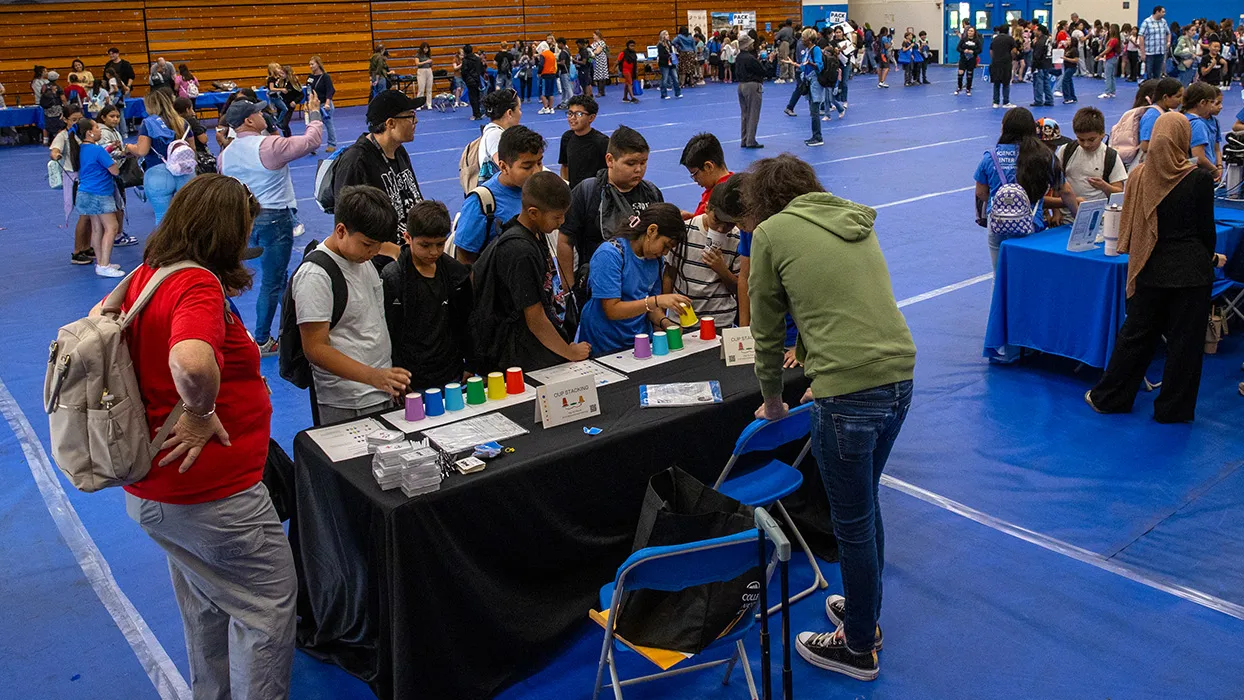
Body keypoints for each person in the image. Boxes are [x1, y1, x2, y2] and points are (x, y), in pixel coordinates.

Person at [104, 174, 293, 700]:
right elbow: (190, 360)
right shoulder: (196, 283)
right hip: (211, 495)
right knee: (266, 609)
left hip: (164, 489)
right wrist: (199, 409)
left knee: (207, 607)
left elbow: (103, 318)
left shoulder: (149, 273)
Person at [743, 155, 915, 684]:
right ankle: (866, 616)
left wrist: (772, 400)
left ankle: (858, 647)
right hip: (900, 376)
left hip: (847, 392)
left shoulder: (772, 233)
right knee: (867, 506)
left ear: (763, 202)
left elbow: (768, 331)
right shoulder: (852, 219)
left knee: (854, 524)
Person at [1087, 114, 1223, 423]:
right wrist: (1211, 258)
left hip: (1150, 266)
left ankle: (1110, 398)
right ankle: (1173, 409)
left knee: (1136, 337)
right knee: (1184, 346)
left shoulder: (1139, 176)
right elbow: (1206, 232)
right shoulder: (1198, 179)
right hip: (1191, 273)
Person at [293, 185, 409, 423]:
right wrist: (374, 376)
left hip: (379, 390)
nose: (374, 251)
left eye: (378, 245)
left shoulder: (360, 258)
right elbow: (315, 348)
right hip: (347, 402)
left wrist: (383, 377)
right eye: (368, 245)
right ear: (341, 230)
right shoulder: (316, 276)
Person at [220, 93, 323, 355]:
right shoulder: (268, 147)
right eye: (257, 112)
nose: (262, 114)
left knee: (274, 277)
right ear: (249, 120)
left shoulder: (226, 154)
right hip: (273, 218)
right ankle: (263, 338)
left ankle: (292, 318)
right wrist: (314, 114)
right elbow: (312, 141)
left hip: (244, 219)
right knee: (272, 281)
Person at [470, 171, 590, 370]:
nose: (561, 222)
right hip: (523, 356)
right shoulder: (520, 251)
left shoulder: (536, 232)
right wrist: (568, 352)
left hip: (537, 346)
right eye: (557, 217)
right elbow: (535, 318)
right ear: (533, 212)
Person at [558, 125, 665, 293]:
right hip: (598, 287)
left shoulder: (651, 193)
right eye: (630, 163)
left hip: (641, 289)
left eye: (643, 163)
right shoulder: (587, 192)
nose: (638, 169)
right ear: (610, 160)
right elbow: (565, 240)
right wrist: (569, 288)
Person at [382, 200, 475, 391]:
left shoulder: (457, 274)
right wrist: (395, 373)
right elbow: (389, 333)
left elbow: (467, 322)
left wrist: (471, 363)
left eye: (440, 244)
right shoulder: (393, 278)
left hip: (451, 372)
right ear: (407, 237)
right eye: (425, 245)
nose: (434, 252)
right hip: (410, 378)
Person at [575, 203, 692, 356]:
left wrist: (665, 322)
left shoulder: (655, 260)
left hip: (639, 342)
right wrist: (657, 301)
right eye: (665, 246)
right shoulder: (610, 254)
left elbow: (649, 306)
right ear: (652, 230)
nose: (664, 253)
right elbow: (612, 310)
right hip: (604, 344)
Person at [974, 107, 1074, 268]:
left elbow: (981, 192)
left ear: (1004, 128)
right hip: (1031, 222)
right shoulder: (1044, 156)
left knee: (999, 275)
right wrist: (1077, 216)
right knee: (1029, 272)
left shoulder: (991, 157)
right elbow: (1066, 191)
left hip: (998, 223)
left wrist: (1004, 203)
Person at [332, 90, 423, 247]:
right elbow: (348, 226)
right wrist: (392, 252)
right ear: (390, 123)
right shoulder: (356, 161)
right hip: (378, 258)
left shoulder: (398, 151)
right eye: (410, 116)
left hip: (409, 245)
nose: (415, 122)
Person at [455, 125, 545, 263]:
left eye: (539, 163)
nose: (536, 171)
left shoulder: (535, 189)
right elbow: (465, 257)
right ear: (503, 166)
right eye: (527, 167)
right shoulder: (481, 203)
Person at [663, 175, 742, 324]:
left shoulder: (737, 239)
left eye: (728, 224)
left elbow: (740, 288)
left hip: (720, 321)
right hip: (682, 318)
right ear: (706, 208)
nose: (721, 229)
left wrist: (722, 270)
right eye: (716, 221)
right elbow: (670, 272)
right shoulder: (685, 231)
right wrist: (662, 317)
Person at [124, 89, 193, 225]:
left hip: (158, 172)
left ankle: (165, 245)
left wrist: (128, 147)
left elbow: (142, 150)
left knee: (162, 217)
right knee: (187, 217)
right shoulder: (183, 122)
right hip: (184, 172)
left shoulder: (148, 123)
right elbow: (192, 149)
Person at [71, 118, 123, 277]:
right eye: (97, 128)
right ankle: (105, 264)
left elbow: (94, 159)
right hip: (100, 193)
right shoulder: (98, 150)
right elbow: (115, 171)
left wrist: (107, 150)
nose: (100, 130)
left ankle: (101, 262)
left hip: (85, 192)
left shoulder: (83, 148)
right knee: (112, 227)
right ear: (90, 132)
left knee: (97, 227)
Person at [1055, 107, 1128, 206]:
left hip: (1098, 215)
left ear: (1102, 134)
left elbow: (1118, 193)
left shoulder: (1110, 156)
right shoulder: (1066, 150)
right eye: (1081, 139)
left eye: (1091, 140)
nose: (1086, 144)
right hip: (1067, 214)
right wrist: (1056, 212)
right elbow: (1056, 183)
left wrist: (1104, 186)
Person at [558, 95, 609, 189]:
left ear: (591, 118)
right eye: (570, 113)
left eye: (579, 114)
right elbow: (565, 166)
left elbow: (610, 171)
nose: (572, 118)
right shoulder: (567, 138)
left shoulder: (602, 142)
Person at [680, 132, 732, 218]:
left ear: (708, 167)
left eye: (694, 174)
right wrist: (693, 218)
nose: (695, 180)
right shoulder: (732, 183)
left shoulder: (717, 199)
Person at [478, 88, 522, 184]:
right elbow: (504, 168)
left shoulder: (494, 132)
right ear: (509, 113)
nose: (520, 113)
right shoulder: (496, 135)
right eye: (519, 109)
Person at [1183, 83, 1223, 180]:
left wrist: (1219, 165)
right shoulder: (1198, 124)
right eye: (1212, 102)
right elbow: (1199, 158)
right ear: (1202, 103)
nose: (1220, 106)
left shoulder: (1182, 118)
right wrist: (1215, 171)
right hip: (1200, 174)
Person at [1139, 78, 1183, 157]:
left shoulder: (1168, 112)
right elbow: (1145, 146)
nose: (1181, 100)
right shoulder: (1152, 116)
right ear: (1165, 97)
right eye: (1178, 96)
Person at [735, 34, 765, 149]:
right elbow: (762, 71)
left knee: (745, 114)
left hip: (741, 85)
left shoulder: (739, 57)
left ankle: (744, 139)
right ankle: (751, 140)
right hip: (752, 86)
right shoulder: (750, 58)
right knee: (753, 113)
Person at [307, 55, 337, 152]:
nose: (311, 66)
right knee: (313, 125)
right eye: (310, 64)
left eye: (312, 64)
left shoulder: (325, 77)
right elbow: (308, 91)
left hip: (324, 104)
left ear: (318, 64)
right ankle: (312, 146)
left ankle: (331, 144)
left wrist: (327, 103)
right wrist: (307, 104)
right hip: (314, 105)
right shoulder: (310, 77)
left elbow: (330, 90)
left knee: (328, 124)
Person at [1139, 5, 1170, 80]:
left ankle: (1156, 89)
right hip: (1150, 53)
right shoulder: (1147, 22)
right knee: (1149, 73)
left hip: (1160, 52)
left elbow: (1168, 33)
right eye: (1163, 12)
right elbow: (1141, 36)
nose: (1164, 13)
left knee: (1158, 74)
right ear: (1157, 12)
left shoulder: (1164, 22)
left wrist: (1168, 42)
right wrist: (1143, 52)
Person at [990, 25, 1017, 108]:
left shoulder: (995, 39)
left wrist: (994, 58)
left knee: (996, 82)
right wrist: (1012, 58)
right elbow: (1014, 50)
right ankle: (1006, 102)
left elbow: (991, 51)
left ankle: (995, 102)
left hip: (996, 62)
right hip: (1006, 63)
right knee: (1006, 83)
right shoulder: (1010, 39)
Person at [1029, 24, 1054, 107]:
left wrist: (1033, 66)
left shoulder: (1040, 41)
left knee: (1038, 83)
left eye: (1036, 30)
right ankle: (1049, 99)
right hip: (1047, 63)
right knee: (1046, 82)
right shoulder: (1047, 39)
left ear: (1040, 31)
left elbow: (1037, 55)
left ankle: (1038, 100)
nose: (1034, 31)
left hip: (1040, 64)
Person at [461, 44, 485, 120]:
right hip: (477, 79)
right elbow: (481, 69)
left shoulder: (465, 60)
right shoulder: (477, 59)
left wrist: (466, 79)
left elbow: (464, 71)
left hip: (470, 80)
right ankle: (479, 112)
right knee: (477, 97)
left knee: (473, 98)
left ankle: (476, 114)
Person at [1097, 24, 1121, 99]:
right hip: (1113, 58)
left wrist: (1099, 55)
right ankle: (1112, 91)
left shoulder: (1113, 40)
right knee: (1111, 76)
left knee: (1108, 76)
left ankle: (1107, 92)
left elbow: (1108, 49)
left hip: (1110, 58)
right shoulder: (1115, 39)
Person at [955, 27, 981, 95]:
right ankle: (959, 87)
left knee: (969, 74)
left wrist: (973, 52)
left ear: (974, 32)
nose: (970, 32)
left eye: (972, 31)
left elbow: (980, 50)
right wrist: (964, 51)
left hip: (972, 59)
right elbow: (958, 48)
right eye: (969, 31)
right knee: (960, 73)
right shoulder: (963, 40)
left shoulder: (977, 41)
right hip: (963, 59)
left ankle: (968, 89)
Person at [658, 30, 682, 99]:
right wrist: (669, 56)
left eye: (668, 34)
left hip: (672, 63)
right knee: (664, 80)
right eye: (666, 35)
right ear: (663, 36)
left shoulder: (670, 43)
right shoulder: (660, 45)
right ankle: (664, 94)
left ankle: (678, 93)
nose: (668, 36)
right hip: (664, 64)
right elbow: (661, 55)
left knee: (675, 78)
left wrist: (675, 54)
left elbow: (673, 51)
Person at [1060, 35, 1080, 104]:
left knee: (1065, 81)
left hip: (1072, 67)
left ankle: (1068, 98)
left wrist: (1066, 59)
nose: (1067, 41)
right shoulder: (1068, 48)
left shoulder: (1074, 50)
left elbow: (1076, 60)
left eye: (1069, 40)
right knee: (1069, 81)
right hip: (1067, 66)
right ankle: (1073, 97)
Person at [590, 30, 610, 97]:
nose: (593, 37)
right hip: (596, 60)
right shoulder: (593, 43)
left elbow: (597, 51)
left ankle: (601, 91)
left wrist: (592, 52)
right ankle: (600, 91)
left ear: (598, 36)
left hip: (601, 60)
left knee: (602, 76)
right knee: (598, 76)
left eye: (594, 35)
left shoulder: (602, 42)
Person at [416, 43, 434, 110]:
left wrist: (430, 62)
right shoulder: (418, 55)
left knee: (429, 89)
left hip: (429, 70)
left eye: (427, 48)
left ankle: (429, 103)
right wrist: (426, 61)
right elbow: (417, 63)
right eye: (425, 48)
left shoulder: (428, 55)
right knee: (421, 89)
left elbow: (431, 64)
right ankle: (418, 104)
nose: (426, 50)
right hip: (421, 71)